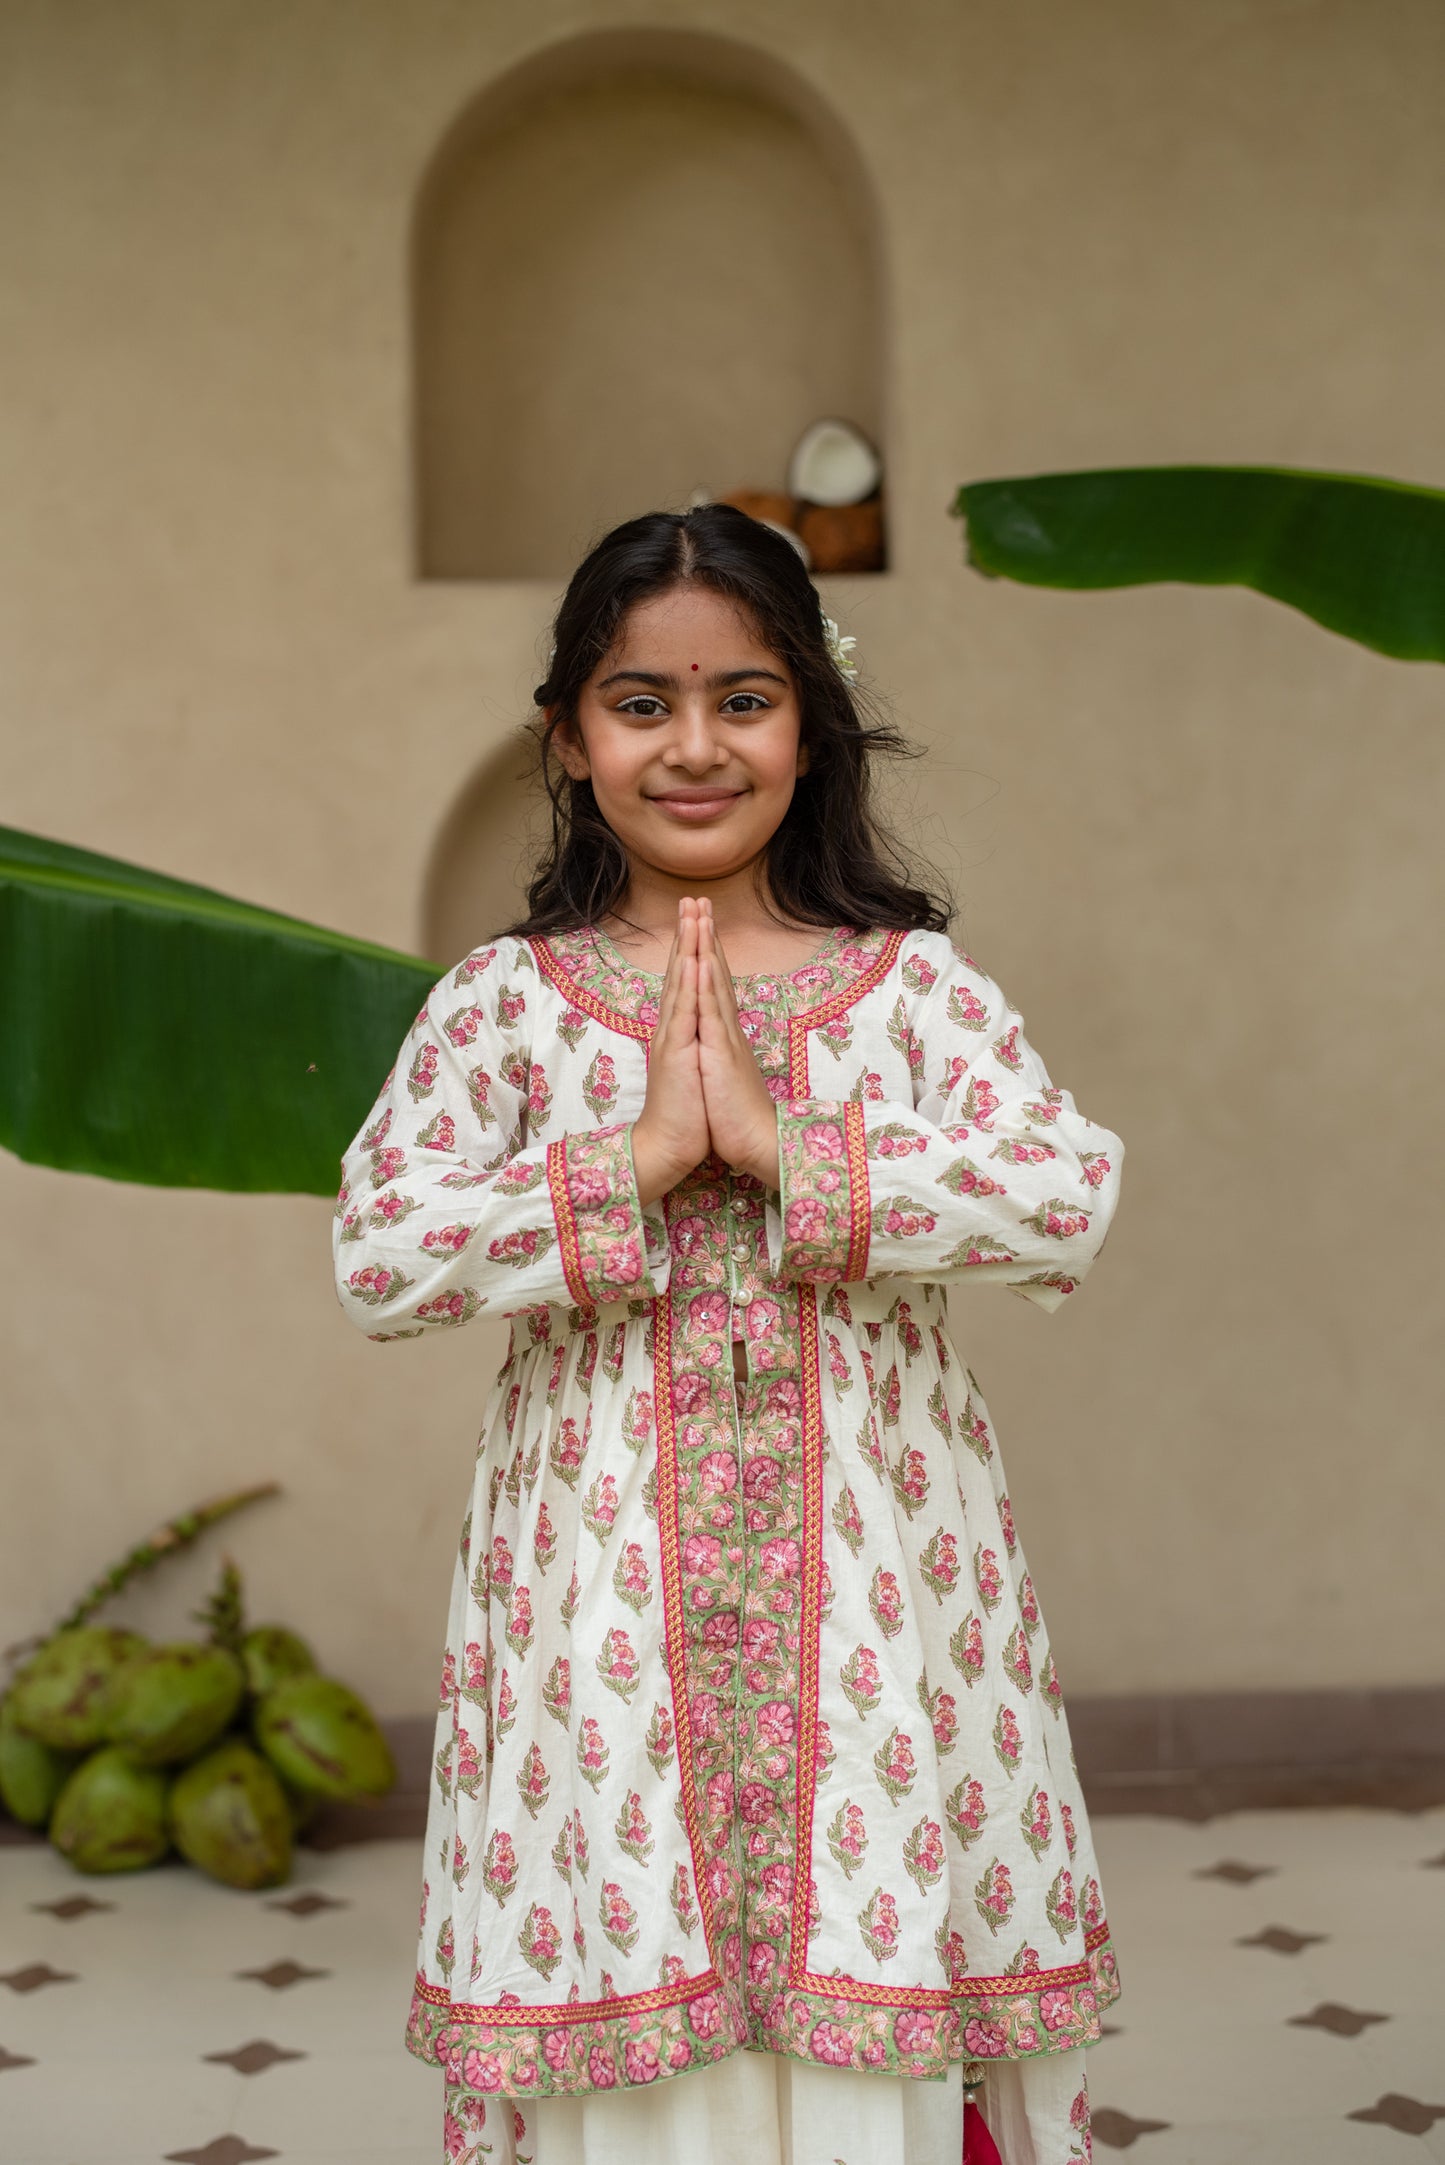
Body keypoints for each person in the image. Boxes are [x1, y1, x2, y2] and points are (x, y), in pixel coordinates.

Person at [333, 504, 1123, 2165]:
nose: (694, 746)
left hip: (878, 1612)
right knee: (628, 1977)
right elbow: (382, 1251)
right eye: (641, 703)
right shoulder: (505, 1002)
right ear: (568, 732)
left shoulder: (907, 991)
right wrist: (628, 1165)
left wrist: (788, 1151)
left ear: (809, 723)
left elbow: (1064, 1195)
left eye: (743, 698)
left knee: (878, 1950)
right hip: (595, 1609)